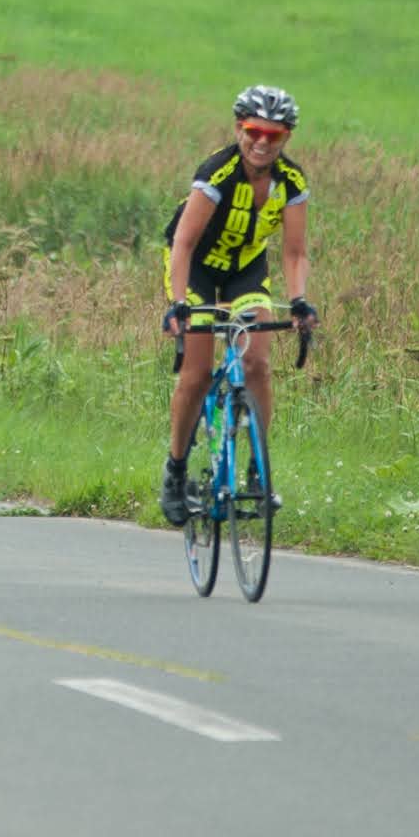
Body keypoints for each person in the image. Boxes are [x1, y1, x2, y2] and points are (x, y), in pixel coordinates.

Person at [160, 85, 314, 526]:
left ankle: (257, 471)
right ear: (238, 129)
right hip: (196, 269)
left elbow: (293, 252)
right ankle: (175, 471)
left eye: (275, 135)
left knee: (257, 366)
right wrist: (177, 304)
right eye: (253, 132)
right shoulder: (217, 174)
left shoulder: (292, 183)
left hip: (245, 270)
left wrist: (300, 299)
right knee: (196, 374)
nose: (262, 143)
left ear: (286, 138)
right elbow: (183, 244)